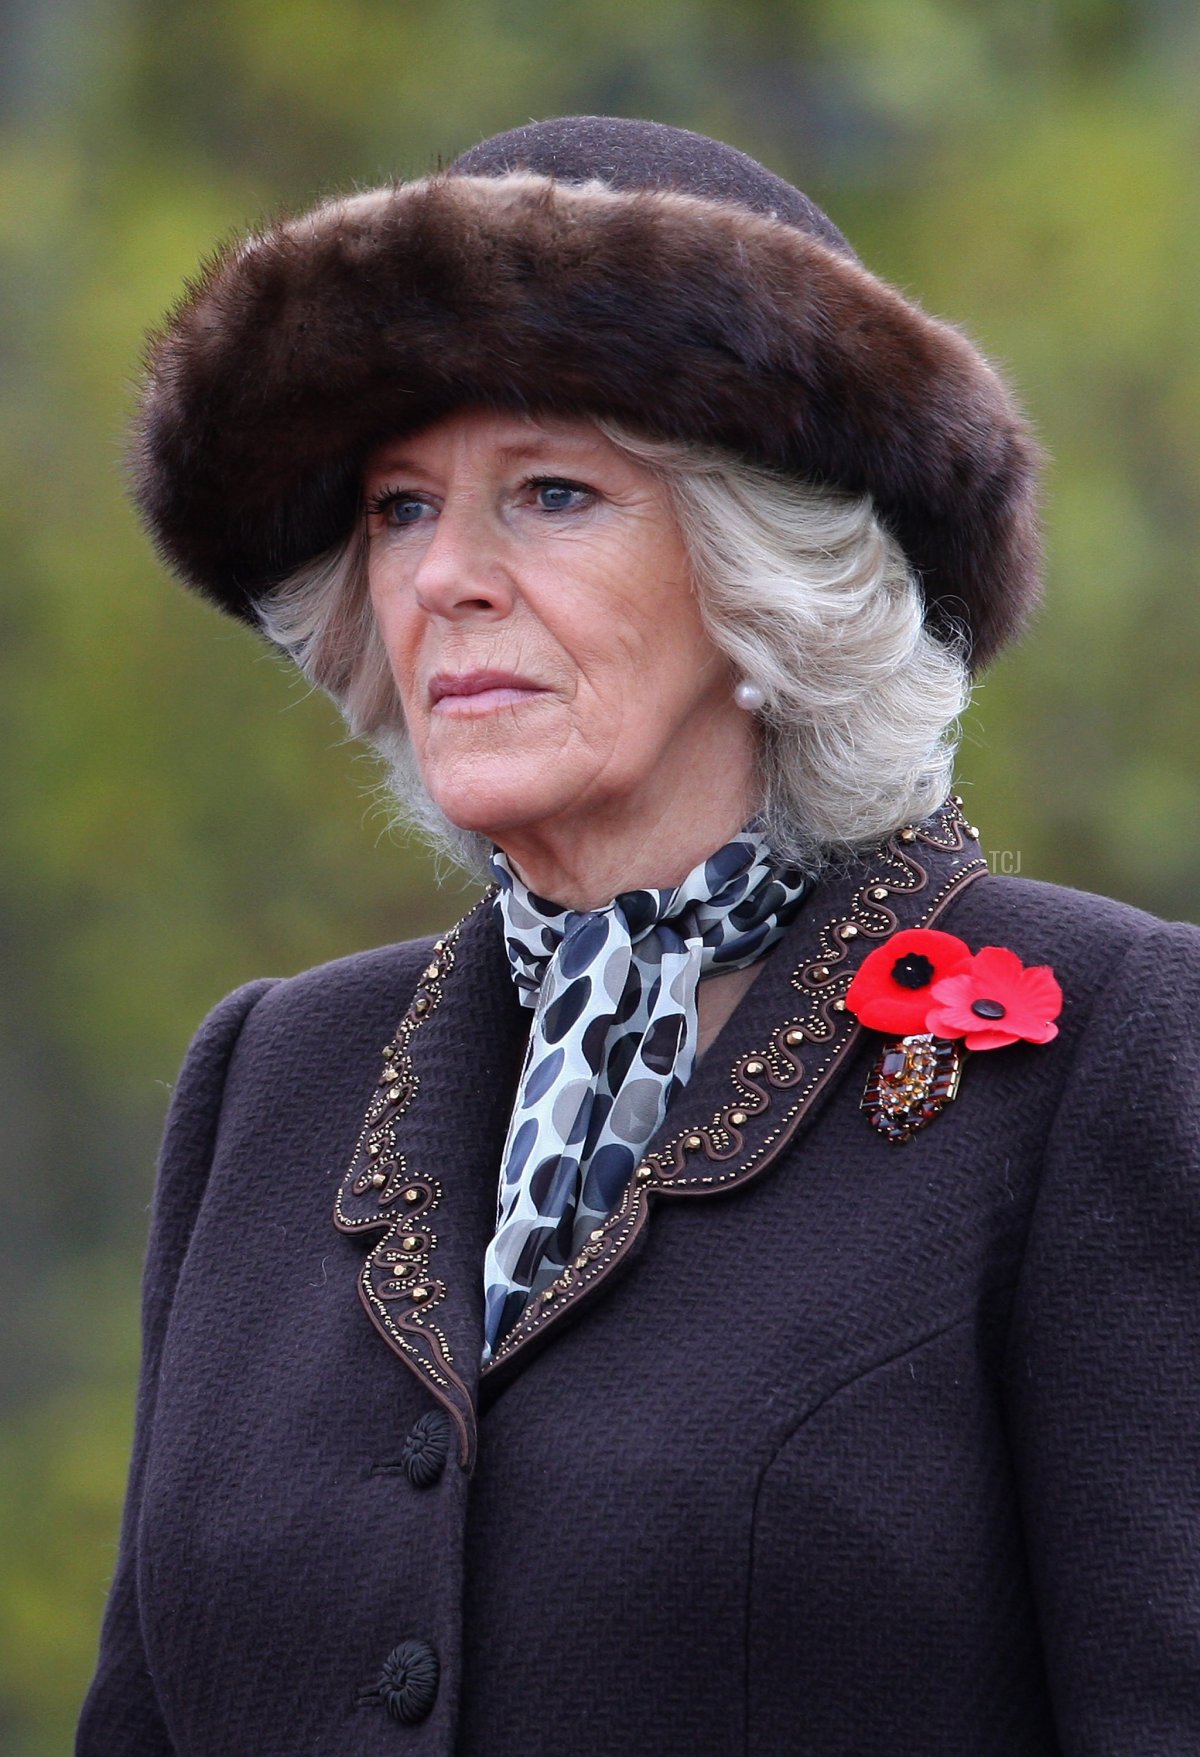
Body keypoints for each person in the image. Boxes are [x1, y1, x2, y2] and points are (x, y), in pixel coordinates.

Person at [79, 116, 1200, 1757]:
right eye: (400, 508)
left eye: (549, 492)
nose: (446, 576)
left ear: (766, 574)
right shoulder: (271, 1073)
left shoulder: (1105, 1042)